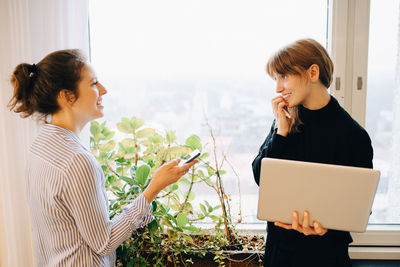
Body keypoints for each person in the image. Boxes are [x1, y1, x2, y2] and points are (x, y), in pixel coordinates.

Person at [8, 49, 196, 267]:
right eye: (94, 83)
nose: (104, 90)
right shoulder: (77, 161)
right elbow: (104, 242)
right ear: (67, 96)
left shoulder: (41, 146)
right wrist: (154, 187)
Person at [252, 39, 373, 267]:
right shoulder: (285, 120)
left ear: (313, 72)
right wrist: (281, 132)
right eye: (275, 79)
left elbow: (359, 209)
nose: (278, 88)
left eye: (284, 76)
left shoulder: (353, 135)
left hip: (324, 257)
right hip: (279, 255)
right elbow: (261, 177)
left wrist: (325, 229)